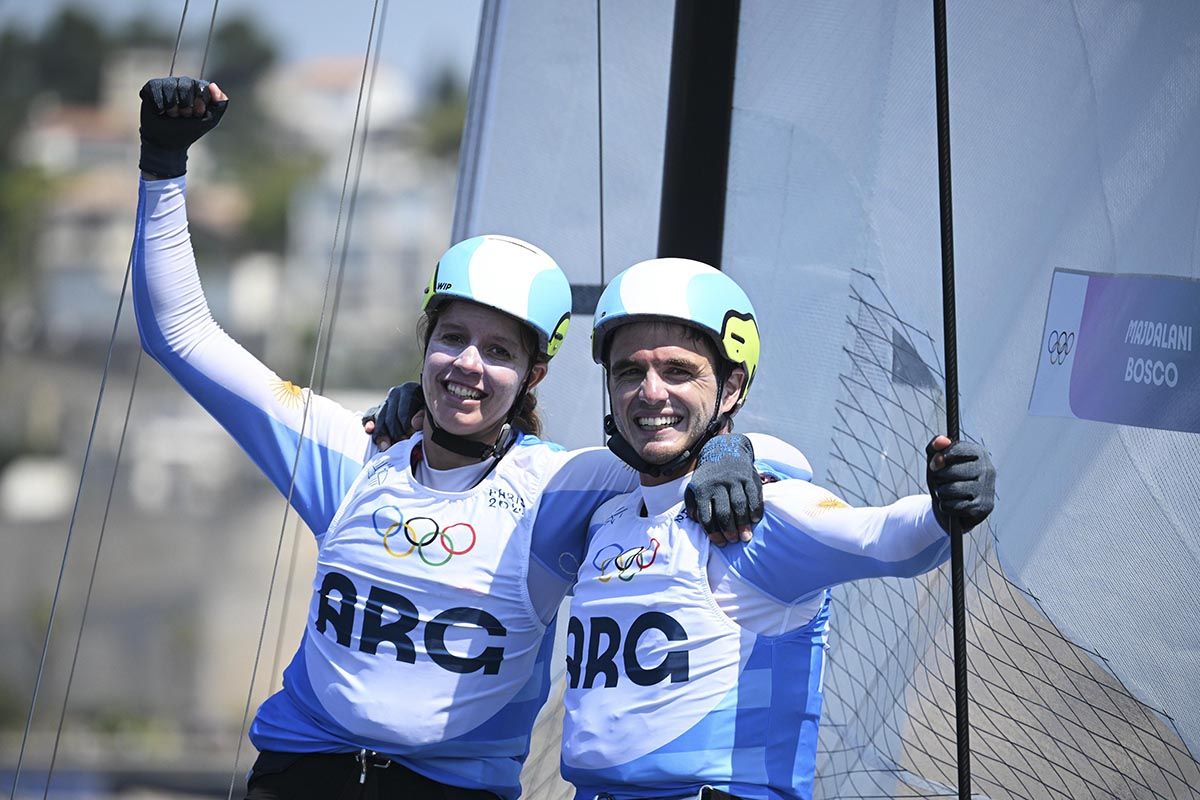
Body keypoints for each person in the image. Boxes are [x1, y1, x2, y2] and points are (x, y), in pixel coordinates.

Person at [131, 77, 782, 800]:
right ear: (425, 345)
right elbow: (181, 336)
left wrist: (732, 450)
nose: (468, 364)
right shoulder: (351, 455)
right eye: (452, 339)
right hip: (299, 777)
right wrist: (163, 165)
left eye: (498, 351)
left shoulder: (561, 488)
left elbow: (672, 447)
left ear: (533, 375)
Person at [558, 258, 997, 800]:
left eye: (677, 371)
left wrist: (946, 507)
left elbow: (882, 538)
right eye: (629, 372)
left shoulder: (761, 513)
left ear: (731, 387)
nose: (650, 393)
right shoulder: (604, 516)